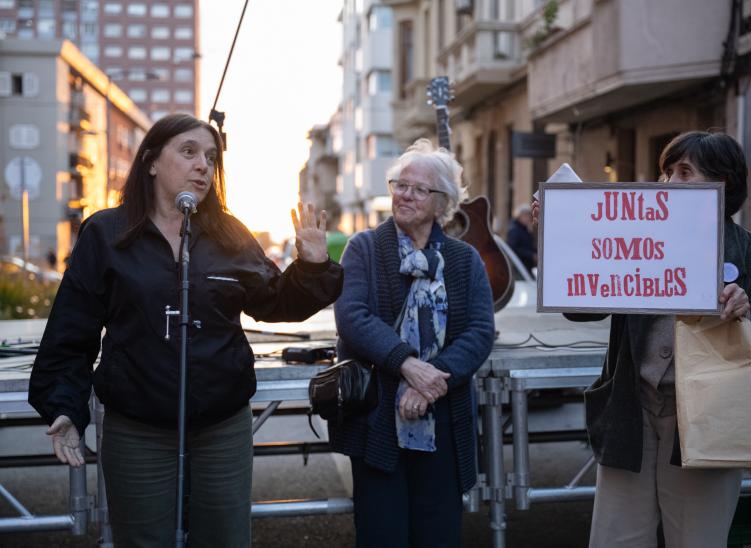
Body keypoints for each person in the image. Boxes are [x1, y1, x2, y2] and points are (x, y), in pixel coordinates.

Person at [28, 113, 343, 547]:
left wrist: (311, 267)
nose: (203, 166)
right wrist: (63, 407)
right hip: (137, 428)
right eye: (189, 152)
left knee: (225, 540)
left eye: (210, 158)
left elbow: (276, 303)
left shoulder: (230, 234)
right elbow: (70, 332)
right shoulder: (107, 232)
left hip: (221, 426)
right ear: (152, 162)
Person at [534, 131, 751, 548]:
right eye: (666, 172)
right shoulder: (637, 236)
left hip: (708, 421)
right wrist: (562, 238)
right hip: (631, 412)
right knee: (616, 539)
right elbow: (581, 307)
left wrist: (747, 312)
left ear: (720, 184)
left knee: (697, 539)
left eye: (684, 172)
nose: (668, 182)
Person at [330, 139, 495, 547]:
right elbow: (353, 317)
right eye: (400, 184)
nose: (405, 194)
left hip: (443, 415)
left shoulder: (464, 259)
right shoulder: (364, 248)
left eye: (419, 189)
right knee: (382, 533)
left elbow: (479, 331)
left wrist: (431, 381)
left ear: (443, 202)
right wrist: (408, 365)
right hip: (378, 416)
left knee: (438, 533)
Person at [506, 203, 537, 271]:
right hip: (518, 268)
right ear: (519, 216)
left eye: (529, 216)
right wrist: (531, 255)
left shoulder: (524, 229)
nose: (528, 218)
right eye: (526, 216)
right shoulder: (514, 230)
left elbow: (529, 245)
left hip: (526, 267)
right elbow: (513, 249)